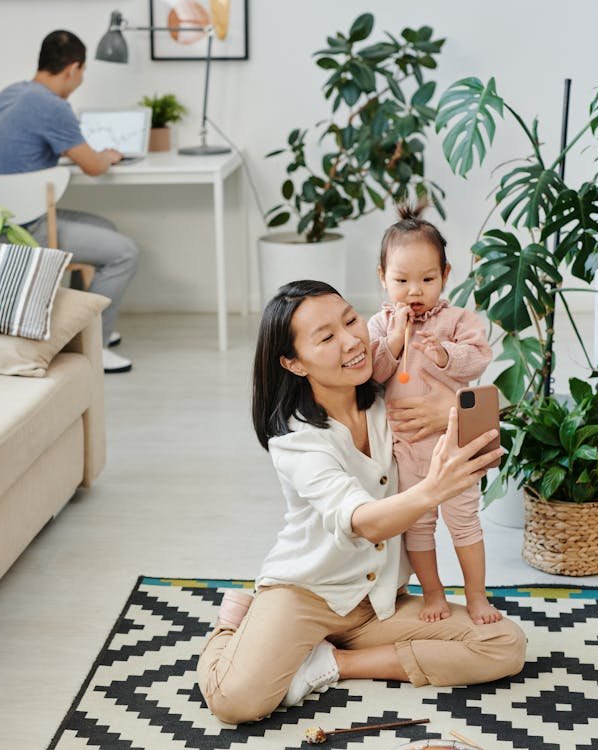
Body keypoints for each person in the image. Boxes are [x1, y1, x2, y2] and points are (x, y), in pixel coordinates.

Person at [196, 280, 526, 725]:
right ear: (293, 363)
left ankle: (332, 663)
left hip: (378, 603)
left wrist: (450, 405)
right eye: (327, 337)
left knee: (504, 645)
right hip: (306, 594)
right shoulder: (295, 439)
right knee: (235, 702)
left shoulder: (390, 399)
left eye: (351, 320)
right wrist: (432, 488)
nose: (353, 341)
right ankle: (234, 622)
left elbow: (479, 415)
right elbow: (364, 522)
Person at [367, 202, 499, 625]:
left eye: (427, 279)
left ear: (445, 275)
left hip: (452, 444)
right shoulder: (379, 325)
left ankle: (477, 597)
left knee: (464, 523)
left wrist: (444, 353)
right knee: (418, 526)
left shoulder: (458, 319)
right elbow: (373, 373)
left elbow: (479, 359)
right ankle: (434, 595)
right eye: (401, 280)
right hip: (406, 450)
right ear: (382, 278)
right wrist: (392, 341)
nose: (414, 291)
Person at [0, 29, 139, 374]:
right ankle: (94, 345)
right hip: (26, 228)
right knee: (124, 251)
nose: (79, 81)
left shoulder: (9, 94)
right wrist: (108, 156)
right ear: (73, 68)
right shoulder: (54, 107)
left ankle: (86, 326)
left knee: (104, 228)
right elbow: (93, 166)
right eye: (82, 74)